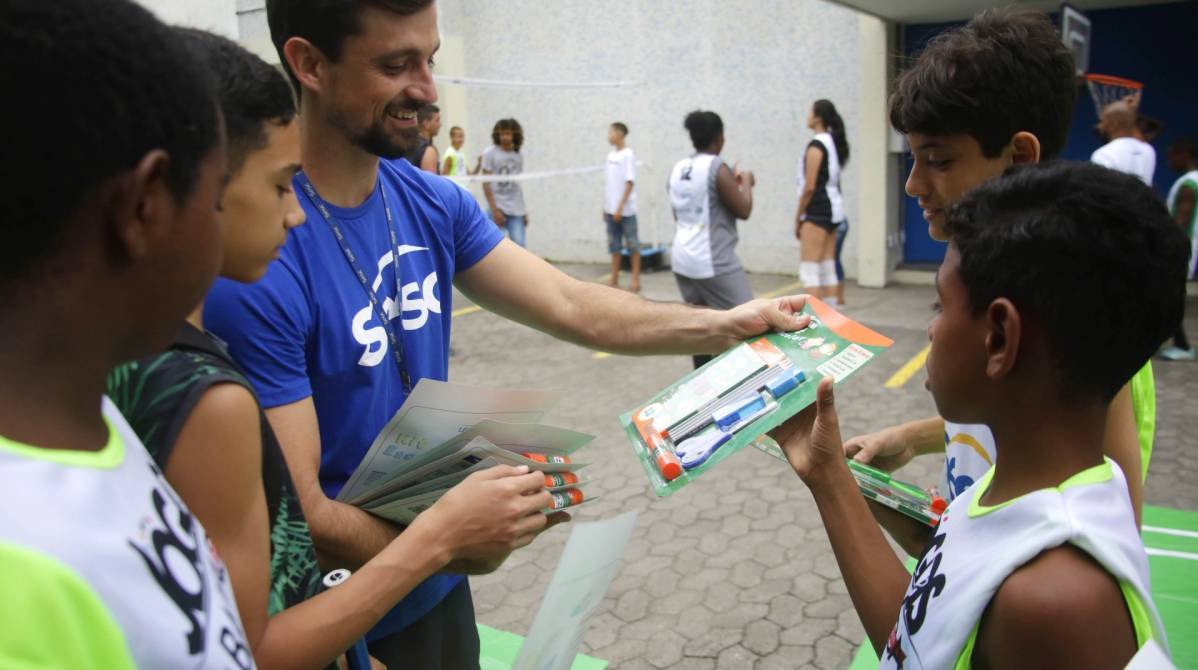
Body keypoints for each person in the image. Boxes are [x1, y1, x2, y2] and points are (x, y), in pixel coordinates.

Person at [206, 1, 812, 666]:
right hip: (334, 616)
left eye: (430, 60)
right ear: (309, 64)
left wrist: (726, 324)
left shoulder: (429, 201)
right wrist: (452, 540)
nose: (427, 90)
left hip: (433, 592)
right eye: (395, 65)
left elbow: (573, 303)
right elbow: (307, 519)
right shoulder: (258, 260)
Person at [108, 30, 552, 670]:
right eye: (281, 184)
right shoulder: (203, 395)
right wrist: (442, 538)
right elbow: (251, 646)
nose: (295, 215)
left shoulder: (106, 363)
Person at [775, 161, 1183, 670]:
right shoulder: (1024, 488)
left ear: (998, 338)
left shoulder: (1054, 605)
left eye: (939, 306)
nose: (929, 330)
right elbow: (920, 641)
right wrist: (828, 472)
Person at [843, 8, 1155, 556]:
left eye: (937, 159)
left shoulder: (1074, 307)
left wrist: (833, 493)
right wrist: (911, 439)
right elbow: (1014, 414)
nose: (914, 184)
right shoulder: (989, 270)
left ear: (1019, 156)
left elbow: (1109, 531)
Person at [0, 0, 252, 666]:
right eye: (218, 193)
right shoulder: (18, 587)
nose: (221, 227)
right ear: (145, 205)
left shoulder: (81, 413)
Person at [668, 110, 757, 369]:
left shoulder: (678, 169)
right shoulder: (718, 168)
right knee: (753, 323)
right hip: (713, 262)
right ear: (720, 139)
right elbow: (743, 208)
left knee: (701, 328)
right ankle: (750, 388)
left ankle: (704, 389)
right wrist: (747, 181)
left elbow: (681, 213)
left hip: (683, 260)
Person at [795, 99, 850, 306]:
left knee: (810, 271)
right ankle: (832, 318)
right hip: (833, 212)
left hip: (817, 211)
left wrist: (799, 216)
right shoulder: (831, 143)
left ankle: (815, 324)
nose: (807, 115)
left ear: (818, 117)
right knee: (828, 268)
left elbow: (809, 186)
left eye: (810, 111)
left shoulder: (817, 145)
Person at [1161, 136, 1198, 361]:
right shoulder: (1196, 179)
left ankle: (1183, 345)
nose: (1169, 161)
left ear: (1184, 155)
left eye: (1172, 155)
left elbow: (1181, 221)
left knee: (1171, 296)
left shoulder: (1188, 184)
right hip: (1188, 246)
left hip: (1178, 248)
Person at [605, 121, 641, 292]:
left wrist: (620, 207)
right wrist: (607, 207)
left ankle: (635, 279)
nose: (609, 135)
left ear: (620, 133)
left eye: (611, 132)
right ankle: (614, 278)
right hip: (611, 210)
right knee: (614, 245)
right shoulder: (610, 156)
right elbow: (610, 185)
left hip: (626, 211)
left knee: (632, 244)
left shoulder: (628, 154)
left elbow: (629, 182)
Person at [482, 117, 529, 247]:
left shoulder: (518, 155)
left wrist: (524, 211)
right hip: (497, 207)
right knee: (495, 247)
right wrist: (494, 209)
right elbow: (486, 183)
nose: (504, 137)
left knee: (520, 245)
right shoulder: (489, 153)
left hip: (516, 209)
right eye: (501, 133)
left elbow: (517, 184)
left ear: (515, 134)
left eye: (508, 133)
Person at [1092, 99, 1156, 186]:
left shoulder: (1104, 154)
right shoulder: (1149, 150)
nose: (1099, 126)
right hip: (1144, 199)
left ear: (1113, 124)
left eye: (1103, 121)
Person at [401, 103, 441, 174]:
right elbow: (430, 183)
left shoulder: (405, 143)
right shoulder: (428, 150)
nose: (440, 124)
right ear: (426, 124)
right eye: (437, 120)